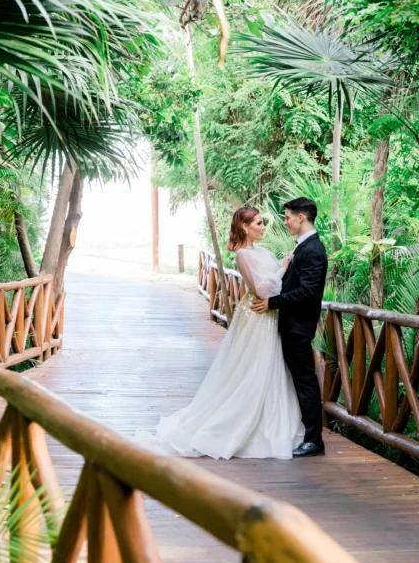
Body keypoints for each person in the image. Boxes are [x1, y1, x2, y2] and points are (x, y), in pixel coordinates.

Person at [135, 206, 304, 459]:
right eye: (258, 223)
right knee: (252, 367)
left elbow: (273, 281)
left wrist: (283, 265)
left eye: (262, 222)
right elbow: (261, 289)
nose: (263, 226)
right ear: (245, 227)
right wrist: (283, 267)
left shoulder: (263, 252)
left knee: (270, 367)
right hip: (257, 315)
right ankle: (236, 425)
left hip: (270, 315)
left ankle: (270, 422)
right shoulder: (243, 256)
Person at [251, 197, 328, 458]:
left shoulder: (314, 250)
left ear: (301, 217)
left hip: (299, 326)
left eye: (287, 217)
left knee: (305, 381)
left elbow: (307, 293)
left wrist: (272, 302)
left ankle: (314, 439)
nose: (285, 222)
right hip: (292, 323)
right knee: (299, 380)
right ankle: (302, 433)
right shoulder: (302, 247)